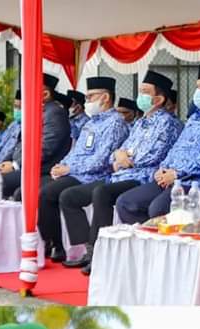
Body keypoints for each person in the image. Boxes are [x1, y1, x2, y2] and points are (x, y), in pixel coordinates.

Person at [60, 70, 182, 274]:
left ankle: (99, 253)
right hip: (119, 174)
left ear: (158, 99)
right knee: (71, 195)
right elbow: (114, 154)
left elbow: (151, 156)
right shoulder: (140, 122)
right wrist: (119, 156)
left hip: (142, 177)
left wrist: (125, 158)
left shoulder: (166, 122)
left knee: (102, 193)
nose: (139, 95)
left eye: (145, 91)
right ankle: (90, 250)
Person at [116, 64, 200, 223]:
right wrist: (163, 168)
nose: (198, 92)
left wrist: (177, 173)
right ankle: (151, 244)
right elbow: (176, 148)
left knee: (158, 208)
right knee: (126, 203)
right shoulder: (195, 118)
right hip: (172, 177)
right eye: (198, 87)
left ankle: (163, 244)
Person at [37, 76, 129, 262]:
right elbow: (77, 151)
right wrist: (61, 165)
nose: (86, 101)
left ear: (105, 97)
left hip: (97, 175)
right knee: (43, 192)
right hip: (77, 173)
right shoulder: (91, 122)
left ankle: (85, 248)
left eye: (90, 97)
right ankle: (55, 243)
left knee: (58, 194)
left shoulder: (115, 122)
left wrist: (69, 168)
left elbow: (102, 159)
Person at [0, 77, 71, 200]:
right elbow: (19, 144)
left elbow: (46, 148)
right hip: (23, 166)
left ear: (45, 94)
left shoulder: (54, 113)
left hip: (41, 170)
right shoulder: (36, 112)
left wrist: (15, 165)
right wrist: (4, 163)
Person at [0, 91, 21, 171]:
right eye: (15, 106)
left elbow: (13, 149)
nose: (17, 110)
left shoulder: (26, 127)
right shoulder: (13, 125)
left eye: (20, 107)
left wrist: (1, 165)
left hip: (7, 167)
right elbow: (1, 146)